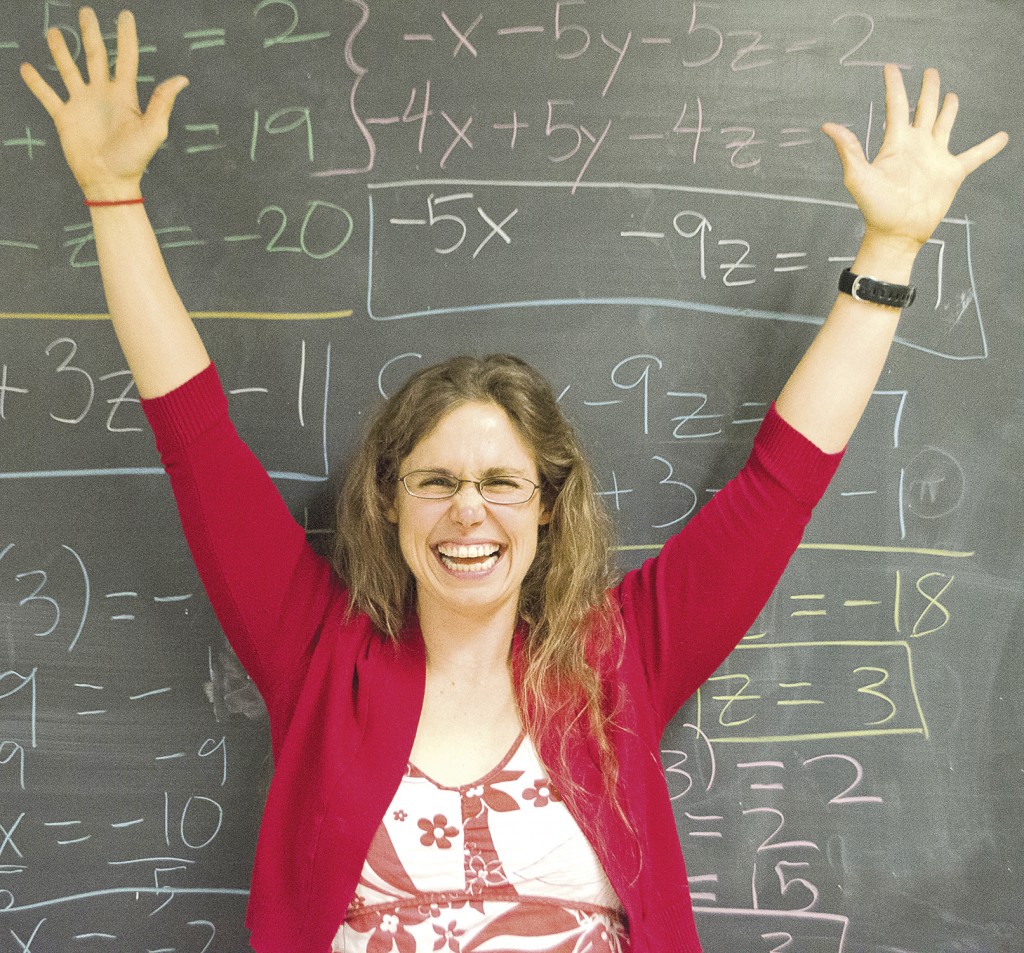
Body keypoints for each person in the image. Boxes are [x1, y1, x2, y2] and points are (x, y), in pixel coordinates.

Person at [21, 7, 1008, 953]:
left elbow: (782, 480)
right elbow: (195, 438)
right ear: (389, 499)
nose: (468, 511)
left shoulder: (622, 660)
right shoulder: (318, 658)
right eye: (436, 479)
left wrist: (889, 249)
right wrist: (113, 199)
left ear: (545, 503)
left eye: (501, 481)